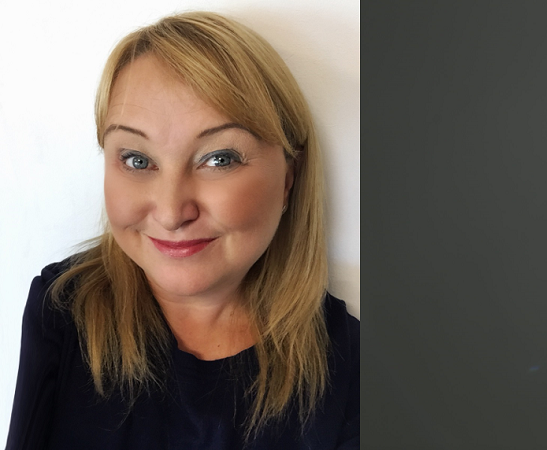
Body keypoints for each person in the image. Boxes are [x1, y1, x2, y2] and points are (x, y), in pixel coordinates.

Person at [5, 12, 358, 449]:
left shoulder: (355, 372)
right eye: (137, 159)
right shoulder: (61, 308)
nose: (172, 212)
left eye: (219, 158)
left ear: (289, 179)